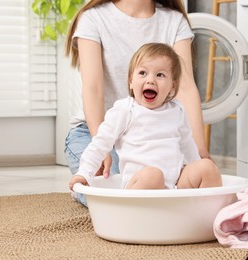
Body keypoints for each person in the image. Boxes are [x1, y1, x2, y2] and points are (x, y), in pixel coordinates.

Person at [64, 0, 211, 205]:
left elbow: (185, 87)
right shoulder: (93, 18)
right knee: (113, 187)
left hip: (154, 136)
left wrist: (200, 154)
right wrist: (102, 150)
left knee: (198, 171)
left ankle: (191, 216)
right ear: (131, 81)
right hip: (96, 132)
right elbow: (93, 88)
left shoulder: (174, 21)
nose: (150, 80)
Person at [69, 43, 222, 191]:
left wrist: (196, 165)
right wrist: (84, 173)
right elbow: (100, 144)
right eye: (142, 73)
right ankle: (141, 214)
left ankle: (209, 213)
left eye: (160, 75)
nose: (150, 80)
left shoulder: (177, 110)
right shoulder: (125, 110)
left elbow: (187, 144)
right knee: (153, 176)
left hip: (174, 184)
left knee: (207, 167)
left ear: (172, 86)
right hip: (140, 184)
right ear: (131, 81)